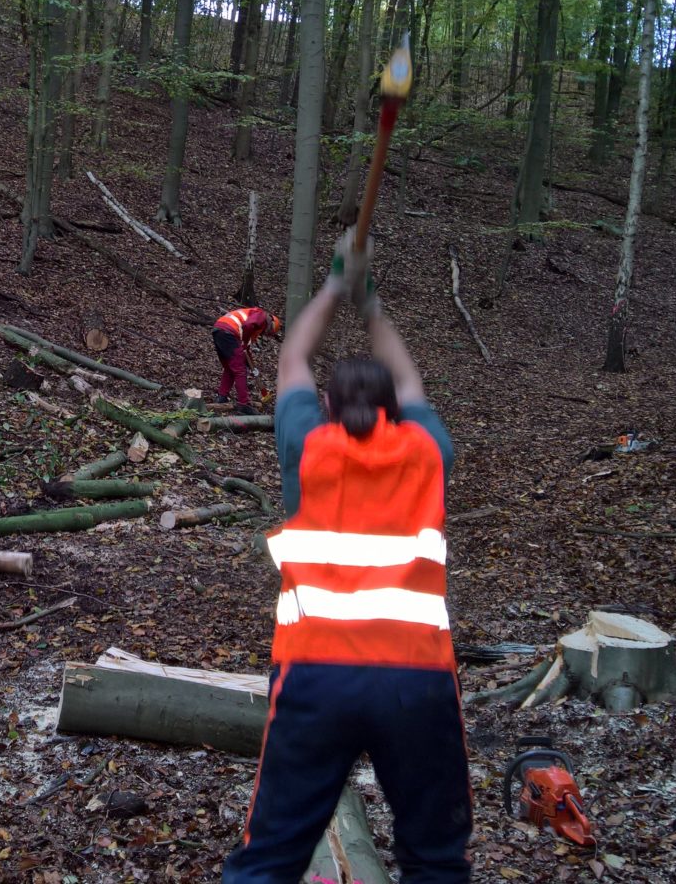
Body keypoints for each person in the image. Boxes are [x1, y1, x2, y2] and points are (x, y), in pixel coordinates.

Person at [222, 236, 469, 884]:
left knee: (269, 859)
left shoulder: (308, 446)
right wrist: (371, 303)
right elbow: (412, 379)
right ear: (396, 411)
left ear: (328, 406)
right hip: (416, 681)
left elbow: (294, 356)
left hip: (315, 679)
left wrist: (335, 288)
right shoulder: (426, 451)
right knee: (435, 861)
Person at [213, 306, 281, 413]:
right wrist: (243, 343)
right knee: (240, 370)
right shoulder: (262, 316)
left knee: (230, 368)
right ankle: (243, 404)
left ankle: (222, 397)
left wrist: (252, 366)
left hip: (219, 330)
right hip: (229, 332)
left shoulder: (252, 325)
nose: (264, 334)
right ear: (270, 324)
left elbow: (246, 351)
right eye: (267, 332)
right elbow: (247, 326)